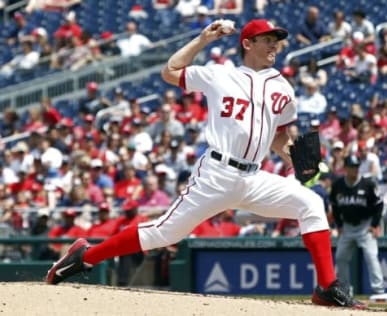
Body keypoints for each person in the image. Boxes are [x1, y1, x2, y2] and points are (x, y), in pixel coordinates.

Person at [45, 18, 364, 309]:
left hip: (254, 178)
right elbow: (169, 72)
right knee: (163, 234)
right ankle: (84, 257)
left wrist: (297, 159)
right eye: (267, 39)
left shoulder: (283, 87)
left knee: (310, 202)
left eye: (276, 40)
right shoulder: (219, 75)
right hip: (217, 173)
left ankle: (326, 287)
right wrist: (202, 40)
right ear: (247, 43)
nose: (274, 45)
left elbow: (278, 137)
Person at [330, 155, 385, 295]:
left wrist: (375, 224)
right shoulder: (338, 185)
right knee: (340, 257)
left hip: (365, 226)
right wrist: (339, 225)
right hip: (347, 227)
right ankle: (344, 290)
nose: (355, 170)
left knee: (371, 257)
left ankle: (379, 290)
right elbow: (335, 207)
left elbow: (379, 205)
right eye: (352, 167)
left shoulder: (368, 184)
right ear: (346, 168)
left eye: (356, 167)